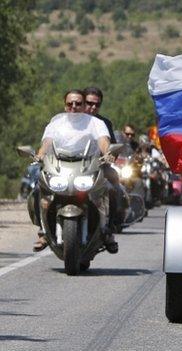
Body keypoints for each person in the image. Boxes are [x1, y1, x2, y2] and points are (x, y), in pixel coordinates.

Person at [33, 89, 118, 253]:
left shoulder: (95, 123)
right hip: (60, 166)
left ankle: (107, 230)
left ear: (83, 104)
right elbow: (47, 142)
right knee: (38, 188)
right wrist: (40, 155)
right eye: (70, 103)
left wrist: (108, 153)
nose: (74, 107)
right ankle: (43, 231)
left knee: (111, 189)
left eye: (78, 103)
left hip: (89, 166)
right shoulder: (56, 123)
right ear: (65, 106)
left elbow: (103, 141)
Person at [84, 86, 128, 233]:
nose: (93, 107)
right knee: (43, 187)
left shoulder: (104, 123)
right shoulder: (71, 121)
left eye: (97, 104)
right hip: (71, 165)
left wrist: (111, 154)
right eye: (89, 103)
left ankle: (110, 227)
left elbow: (112, 148)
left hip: (98, 166)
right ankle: (44, 231)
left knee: (114, 188)